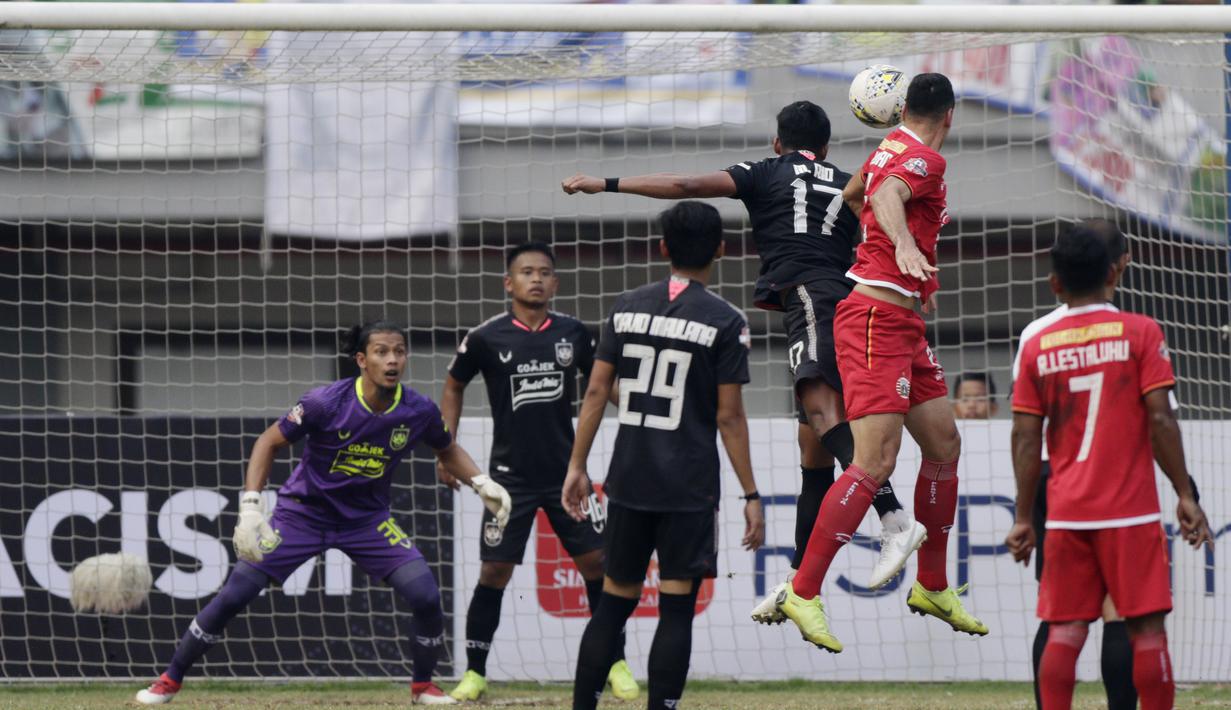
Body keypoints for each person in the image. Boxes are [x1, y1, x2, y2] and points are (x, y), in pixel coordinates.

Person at [561, 100, 918, 617]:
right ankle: (802, 587)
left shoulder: (763, 171)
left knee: (821, 414)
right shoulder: (847, 180)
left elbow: (686, 187)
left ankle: (894, 518)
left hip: (809, 297)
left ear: (778, 143)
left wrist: (607, 184)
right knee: (814, 448)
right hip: (851, 302)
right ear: (825, 148)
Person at [134, 322, 512, 706]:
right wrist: (250, 506)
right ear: (362, 360)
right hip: (303, 516)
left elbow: (446, 448)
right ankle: (169, 680)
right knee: (234, 596)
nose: (393, 359)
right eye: (382, 351)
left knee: (427, 596)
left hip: (367, 522)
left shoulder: (417, 410)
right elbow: (268, 441)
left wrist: (482, 483)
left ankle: (422, 687)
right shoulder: (325, 402)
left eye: (399, 351)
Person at [778, 73, 988, 654]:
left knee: (944, 444)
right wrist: (901, 244)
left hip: (900, 319)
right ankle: (803, 590)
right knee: (873, 461)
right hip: (874, 319)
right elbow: (886, 195)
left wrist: (902, 249)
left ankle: (934, 585)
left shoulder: (887, 146)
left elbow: (857, 193)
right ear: (951, 114)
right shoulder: (923, 158)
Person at [561, 201, 765, 710]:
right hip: (688, 486)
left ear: (663, 248)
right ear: (721, 249)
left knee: (612, 606)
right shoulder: (726, 320)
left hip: (629, 479)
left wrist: (576, 466)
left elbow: (595, 393)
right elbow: (729, 417)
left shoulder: (625, 305)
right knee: (676, 610)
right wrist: (751, 493)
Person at [1005, 222, 1213, 710]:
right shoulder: (1141, 332)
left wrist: (1021, 517)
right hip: (1129, 510)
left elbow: (1024, 435)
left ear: (1055, 283)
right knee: (1144, 627)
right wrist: (1185, 493)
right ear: (1114, 272)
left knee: (1066, 627)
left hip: (1067, 509)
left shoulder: (1039, 343)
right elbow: (1161, 419)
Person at [440, 242, 637, 702]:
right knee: (494, 571)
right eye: (526, 272)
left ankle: (617, 663)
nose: (536, 279)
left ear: (555, 283)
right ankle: (474, 673)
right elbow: (453, 385)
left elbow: (602, 385)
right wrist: (445, 447)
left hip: (569, 474)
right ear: (509, 283)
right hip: (508, 479)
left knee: (600, 566)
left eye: (544, 273)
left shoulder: (573, 332)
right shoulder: (487, 337)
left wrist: (641, 414)